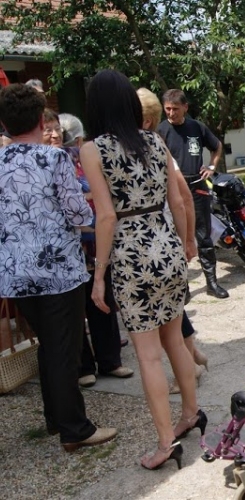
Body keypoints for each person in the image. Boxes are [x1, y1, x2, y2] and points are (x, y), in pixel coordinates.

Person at [79, 70, 203, 470]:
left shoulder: (93, 150)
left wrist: (98, 275)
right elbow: (180, 201)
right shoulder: (155, 139)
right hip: (166, 246)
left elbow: (106, 217)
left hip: (132, 257)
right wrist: (186, 243)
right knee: (175, 339)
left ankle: (165, 445)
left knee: (148, 356)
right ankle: (190, 414)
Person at [0, 83, 117, 452]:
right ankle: (75, 429)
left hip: (16, 272)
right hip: (58, 270)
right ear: (39, 119)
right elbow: (79, 213)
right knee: (64, 349)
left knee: (50, 347)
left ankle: (56, 418)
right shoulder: (53, 160)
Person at [137, 87, 208, 392]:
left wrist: (188, 239)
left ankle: (188, 368)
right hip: (165, 242)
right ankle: (192, 356)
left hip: (159, 241)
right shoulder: (152, 145)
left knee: (166, 314)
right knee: (174, 309)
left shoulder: (153, 147)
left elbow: (183, 200)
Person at [58, 113, 134, 388]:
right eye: (52, 132)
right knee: (76, 308)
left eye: (60, 132)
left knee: (103, 301)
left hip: (95, 241)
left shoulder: (83, 159)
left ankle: (110, 360)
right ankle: (84, 365)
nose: (57, 137)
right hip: (70, 247)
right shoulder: (53, 163)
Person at [157, 89, 228, 299]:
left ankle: (212, 283)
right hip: (174, 190)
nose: (171, 113)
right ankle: (183, 287)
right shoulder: (160, 131)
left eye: (175, 109)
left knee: (203, 236)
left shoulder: (196, 127)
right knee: (177, 238)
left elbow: (217, 146)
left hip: (197, 186)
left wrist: (212, 167)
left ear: (185, 107)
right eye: (167, 109)